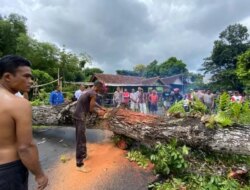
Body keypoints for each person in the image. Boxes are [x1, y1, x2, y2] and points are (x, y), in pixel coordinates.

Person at [0, 55, 48, 190]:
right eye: (26, 76)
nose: (30, 81)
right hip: (8, 172)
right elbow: (25, 147)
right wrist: (39, 175)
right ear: (8, 77)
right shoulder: (19, 104)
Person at [73, 81, 105, 172]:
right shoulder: (94, 93)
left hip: (78, 115)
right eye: (101, 88)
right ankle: (79, 164)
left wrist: (100, 107)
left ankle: (83, 155)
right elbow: (91, 109)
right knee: (80, 139)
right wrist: (98, 112)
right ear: (97, 87)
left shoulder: (89, 91)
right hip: (80, 117)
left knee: (82, 137)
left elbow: (93, 103)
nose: (101, 90)